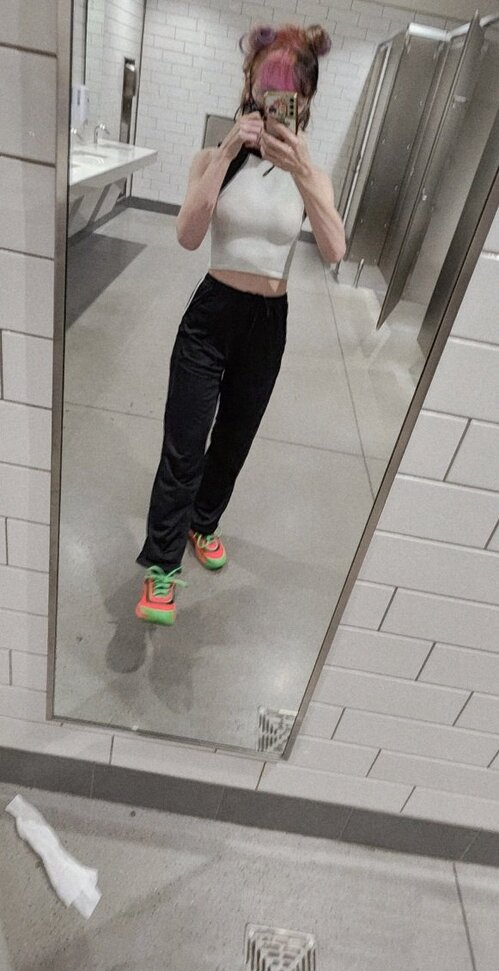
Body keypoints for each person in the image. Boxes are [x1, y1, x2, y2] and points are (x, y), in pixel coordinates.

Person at [136, 22, 346, 625]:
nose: (275, 104)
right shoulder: (211, 158)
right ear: (250, 88)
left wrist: (303, 172)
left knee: (233, 441)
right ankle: (162, 567)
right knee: (184, 445)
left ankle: (204, 522)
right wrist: (227, 152)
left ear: (305, 99)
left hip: (268, 322)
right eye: (265, 91)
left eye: (288, 96)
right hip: (211, 317)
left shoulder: (313, 174)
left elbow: (334, 250)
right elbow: (187, 236)